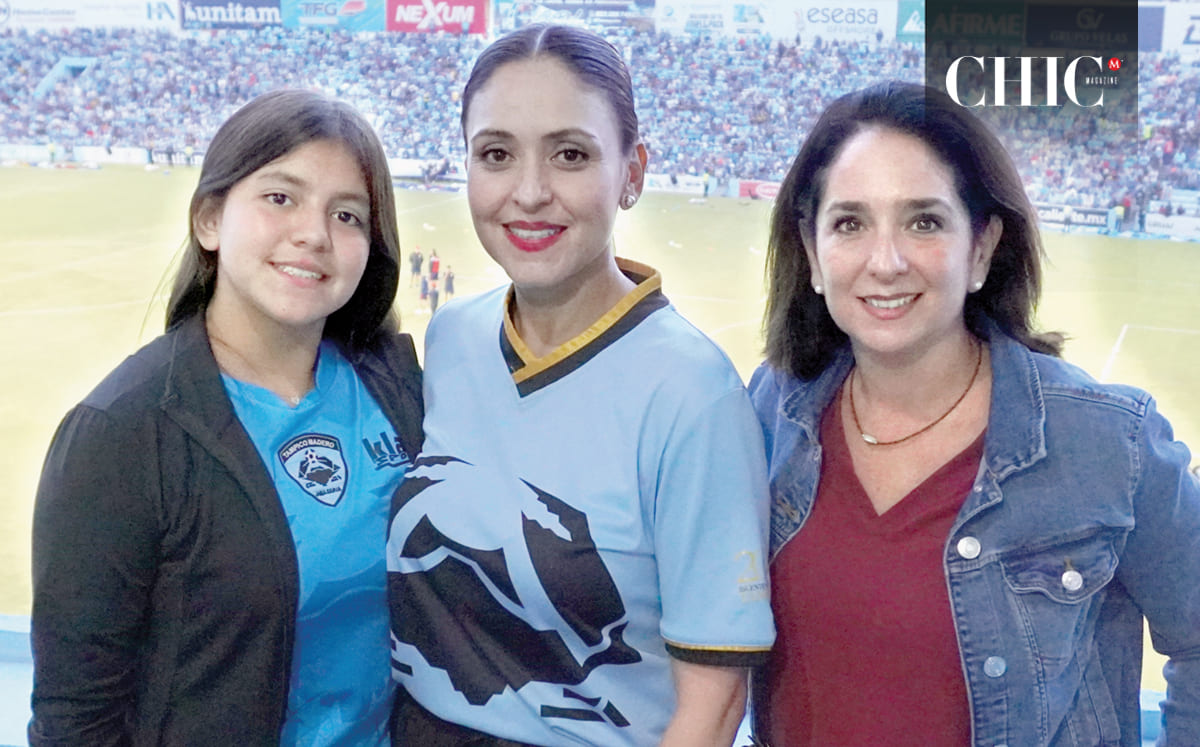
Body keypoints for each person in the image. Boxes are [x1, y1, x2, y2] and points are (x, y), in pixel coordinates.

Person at [748, 81, 1200, 746]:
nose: (886, 261)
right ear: (813, 254)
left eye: (924, 221)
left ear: (982, 247)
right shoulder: (772, 410)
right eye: (849, 223)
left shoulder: (1108, 442)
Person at [386, 23, 775, 747]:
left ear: (632, 173)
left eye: (570, 154)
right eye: (496, 154)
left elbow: (714, 704)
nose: (529, 193)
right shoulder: (452, 340)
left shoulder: (694, 396)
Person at [29, 89, 424, 746]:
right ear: (210, 219)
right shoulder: (121, 432)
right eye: (280, 197)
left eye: (348, 214)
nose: (314, 233)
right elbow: (76, 718)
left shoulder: (398, 387)